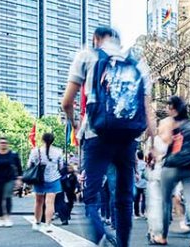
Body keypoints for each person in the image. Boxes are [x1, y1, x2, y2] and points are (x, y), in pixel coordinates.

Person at [61, 26, 156, 247]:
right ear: (118, 41)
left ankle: (102, 237)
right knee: (123, 198)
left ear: (96, 39)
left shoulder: (87, 56)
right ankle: (123, 244)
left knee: (91, 195)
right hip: (128, 138)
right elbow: (148, 110)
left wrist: (75, 125)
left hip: (96, 134)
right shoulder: (138, 63)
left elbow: (67, 102)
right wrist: (151, 144)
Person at [156, 96, 190, 247]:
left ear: (173, 108)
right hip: (189, 166)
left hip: (172, 165)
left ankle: (163, 236)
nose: (166, 109)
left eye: (168, 107)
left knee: (166, 202)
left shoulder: (169, 122)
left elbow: (166, 141)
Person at [28, 132, 64, 232]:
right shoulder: (58, 151)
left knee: (38, 202)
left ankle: (37, 222)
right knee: (50, 203)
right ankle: (48, 224)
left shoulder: (36, 151)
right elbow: (61, 166)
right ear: (53, 140)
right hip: (53, 178)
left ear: (42, 140)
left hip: (39, 179)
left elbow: (29, 165)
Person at [134, 150, 147, 218]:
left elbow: (134, 173)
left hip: (137, 183)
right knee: (144, 199)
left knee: (137, 199)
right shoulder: (145, 164)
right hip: (145, 184)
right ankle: (143, 212)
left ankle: (136, 214)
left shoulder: (136, 164)